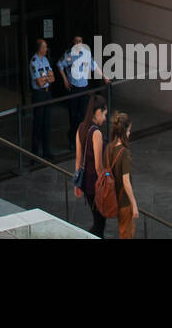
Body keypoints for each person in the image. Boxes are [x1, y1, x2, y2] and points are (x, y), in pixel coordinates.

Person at [73, 93, 109, 238]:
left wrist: (77, 184)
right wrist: (106, 181)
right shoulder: (96, 133)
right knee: (99, 224)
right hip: (95, 185)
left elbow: (78, 159)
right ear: (98, 112)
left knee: (98, 221)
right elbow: (98, 166)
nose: (105, 118)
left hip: (86, 185)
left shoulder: (81, 127)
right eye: (104, 114)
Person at [61, 35, 101, 142]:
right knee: (73, 116)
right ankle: (72, 139)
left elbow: (94, 66)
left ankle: (83, 139)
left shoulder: (86, 53)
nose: (78, 43)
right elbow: (60, 65)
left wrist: (105, 77)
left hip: (84, 88)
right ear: (73, 43)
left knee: (84, 115)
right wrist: (65, 79)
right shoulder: (68, 54)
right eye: (76, 41)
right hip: (73, 88)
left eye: (80, 41)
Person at [105, 112, 139, 239]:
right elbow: (126, 181)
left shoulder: (109, 147)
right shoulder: (125, 153)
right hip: (123, 200)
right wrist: (134, 204)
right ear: (124, 131)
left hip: (112, 196)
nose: (130, 133)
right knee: (126, 233)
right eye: (129, 130)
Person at [29, 38, 56, 162]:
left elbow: (53, 78)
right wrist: (46, 78)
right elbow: (39, 82)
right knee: (38, 124)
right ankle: (34, 154)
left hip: (47, 93)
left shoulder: (45, 60)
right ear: (40, 48)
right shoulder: (34, 62)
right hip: (39, 94)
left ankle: (47, 150)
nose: (46, 49)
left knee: (47, 122)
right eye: (44, 47)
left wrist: (45, 78)